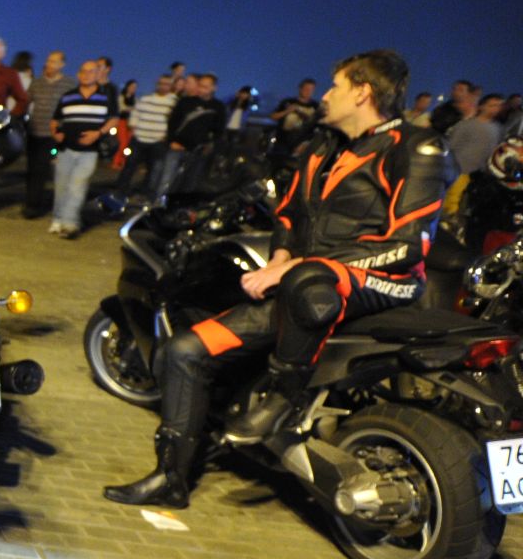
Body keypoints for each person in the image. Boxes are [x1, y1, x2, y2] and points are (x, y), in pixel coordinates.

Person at [104, 49, 441, 508]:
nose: (326, 96)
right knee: (183, 351)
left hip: (384, 280)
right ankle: (171, 477)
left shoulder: (414, 146)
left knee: (310, 280)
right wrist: (282, 253)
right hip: (311, 285)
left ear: (363, 92)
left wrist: (292, 269)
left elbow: (410, 245)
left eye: (336, 86)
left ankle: (284, 395)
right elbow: (288, 211)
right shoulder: (324, 146)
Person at [48, 60, 121, 237]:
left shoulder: (106, 98)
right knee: (61, 186)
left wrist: (98, 133)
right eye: (84, 71)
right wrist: (55, 133)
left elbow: (114, 119)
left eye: (91, 71)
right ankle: (58, 219)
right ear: (78, 74)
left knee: (77, 186)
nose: (87, 74)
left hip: (89, 151)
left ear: (98, 74)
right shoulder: (68, 96)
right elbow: (54, 120)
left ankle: (70, 223)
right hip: (66, 149)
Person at [152, 72, 226, 197]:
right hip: (177, 147)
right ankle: (158, 205)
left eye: (206, 87)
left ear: (214, 88)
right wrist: (171, 141)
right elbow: (172, 123)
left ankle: (177, 209)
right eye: (200, 86)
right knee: (167, 179)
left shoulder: (218, 107)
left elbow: (219, 130)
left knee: (190, 183)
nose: (202, 89)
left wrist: (210, 146)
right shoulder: (186, 101)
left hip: (198, 151)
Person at [22, 51, 75, 219]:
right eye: (48, 60)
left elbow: (71, 108)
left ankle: (34, 205)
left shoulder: (69, 84)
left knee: (42, 168)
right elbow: (26, 102)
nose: (49, 64)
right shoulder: (36, 83)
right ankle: (31, 199)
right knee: (32, 168)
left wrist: (65, 131)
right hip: (34, 131)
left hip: (53, 134)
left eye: (53, 61)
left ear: (62, 65)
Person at [116, 74, 176, 197]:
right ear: (157, 84)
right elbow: (135, 114)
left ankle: (145, 194)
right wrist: (133, 127)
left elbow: (174, 121)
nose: (163, 86)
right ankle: (121, 191)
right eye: (161, 83)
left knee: (153, 169)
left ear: (171, 86)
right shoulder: (145, 98)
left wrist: (166, 136)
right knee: (129, 166)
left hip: (158, 141)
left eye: (167, 84)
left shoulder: (173, 102)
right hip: (139, 138)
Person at [447, 93, 508, 177]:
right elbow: (452, 147)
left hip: (483, 174)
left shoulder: (499, 128)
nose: (495, 109)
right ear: (481, 107)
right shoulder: (465, 125)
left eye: (498, 106)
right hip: (461, 171)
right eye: (492, 106)